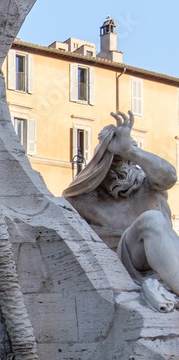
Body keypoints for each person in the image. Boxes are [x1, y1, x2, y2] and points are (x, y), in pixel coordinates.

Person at [64, 111, 179, 309]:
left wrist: (131, 151)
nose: (123, 165)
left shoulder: (150, 184)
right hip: (127, 265)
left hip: (169, 260)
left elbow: (170, 177)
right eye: (115, 159)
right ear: (102, 162)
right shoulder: (85, 200)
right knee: (151, 220)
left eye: (126, 159)